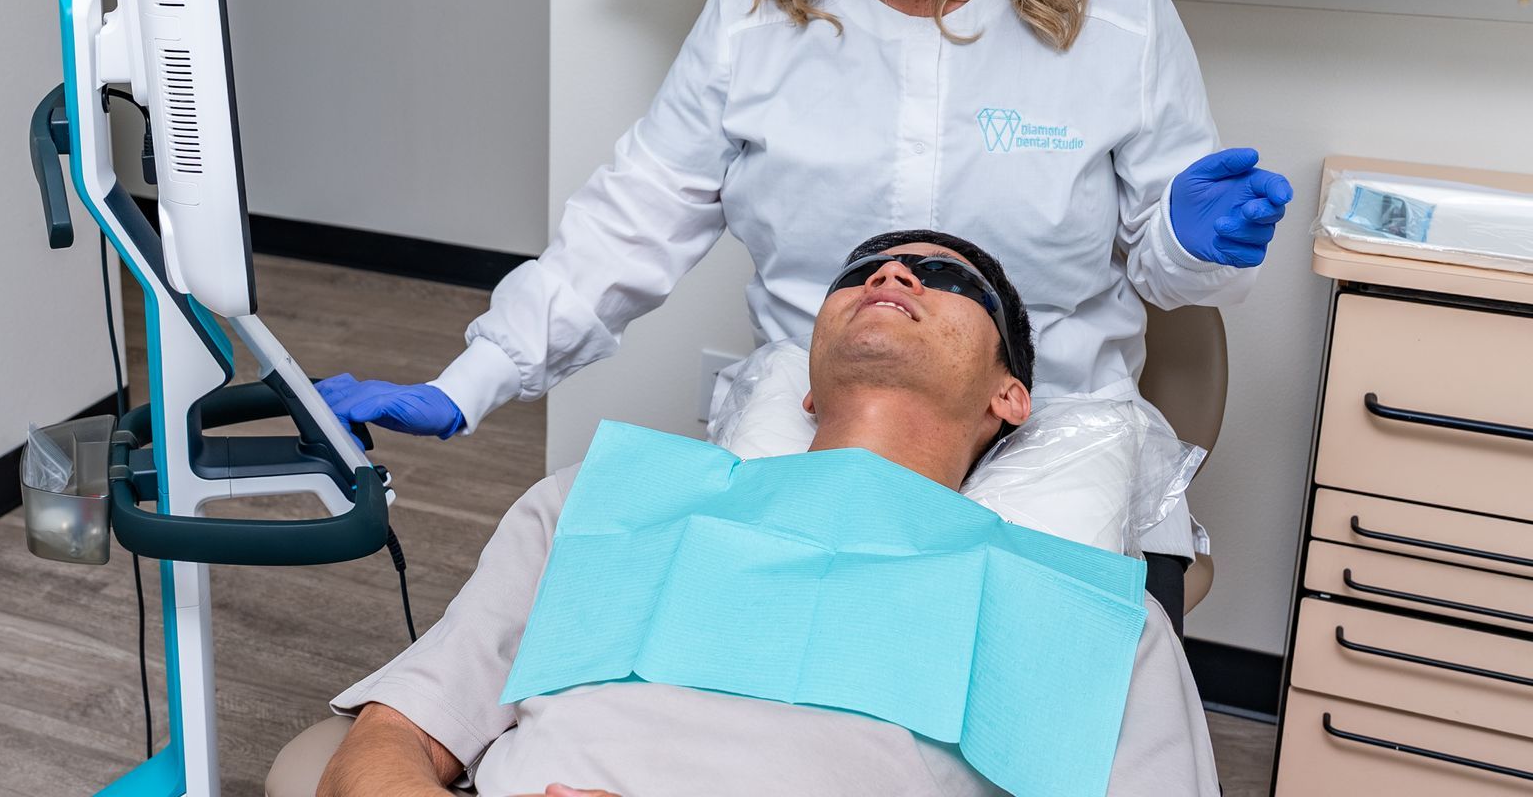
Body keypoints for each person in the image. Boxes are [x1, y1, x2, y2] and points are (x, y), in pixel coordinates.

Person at [316, 0, 1294, 602]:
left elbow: (1173, 277)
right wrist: (473, 374)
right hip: (816, 406)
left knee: (1019, 677)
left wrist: (1193, 240)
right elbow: (632, 221)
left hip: (1050, 420)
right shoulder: (756, 16)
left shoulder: (1117, 18)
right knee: (749, 656)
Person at [316, 233, 1220, 797]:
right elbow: (386, 744)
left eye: (946, 278)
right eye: (860, 272)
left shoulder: (1093, 620)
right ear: (804, 387)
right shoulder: (595, 505)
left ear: (1011, 396)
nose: (893, 272)